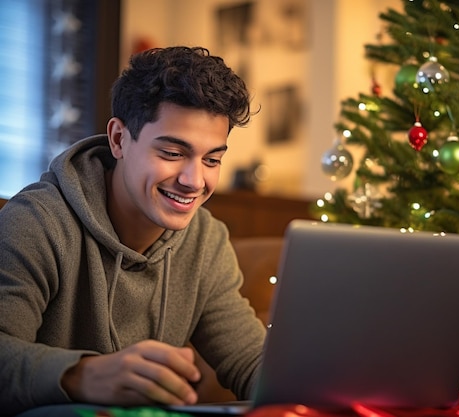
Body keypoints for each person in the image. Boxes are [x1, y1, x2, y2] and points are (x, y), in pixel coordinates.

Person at [0, 46, 267, 415]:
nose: (194, 181)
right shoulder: (36, 222)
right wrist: (82, 375)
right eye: (172, 153)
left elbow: (251, 361)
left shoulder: (206, 241)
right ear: (119, 139)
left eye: (212, 160)